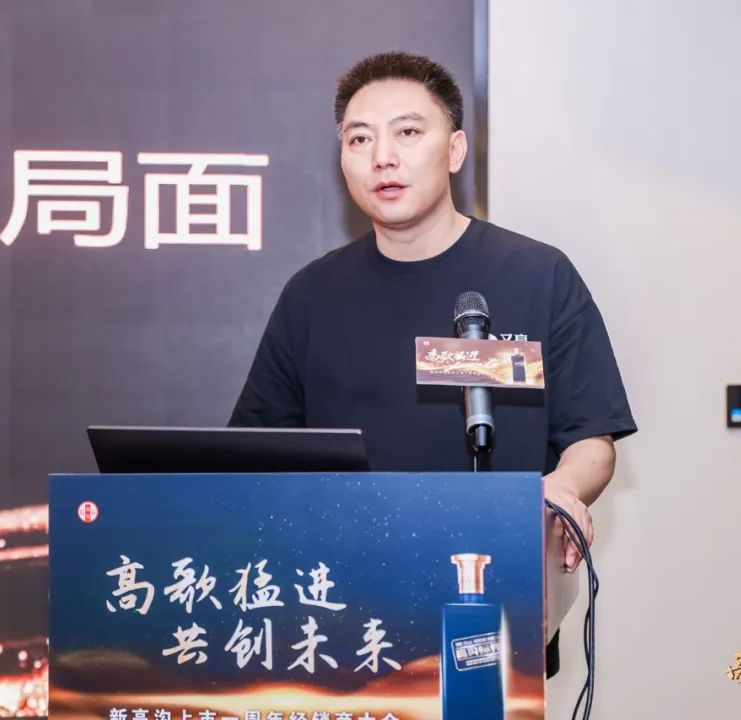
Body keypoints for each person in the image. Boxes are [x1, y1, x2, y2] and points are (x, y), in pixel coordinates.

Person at [229, 51, 637, 678]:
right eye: (359, 139)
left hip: (492, 609)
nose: (382, 157)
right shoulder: (312, 296)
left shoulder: (538, 275)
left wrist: (561, 488)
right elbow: (255, 453)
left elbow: (592, 440)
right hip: (341, 617)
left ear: (454, 150)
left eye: (408, 132)